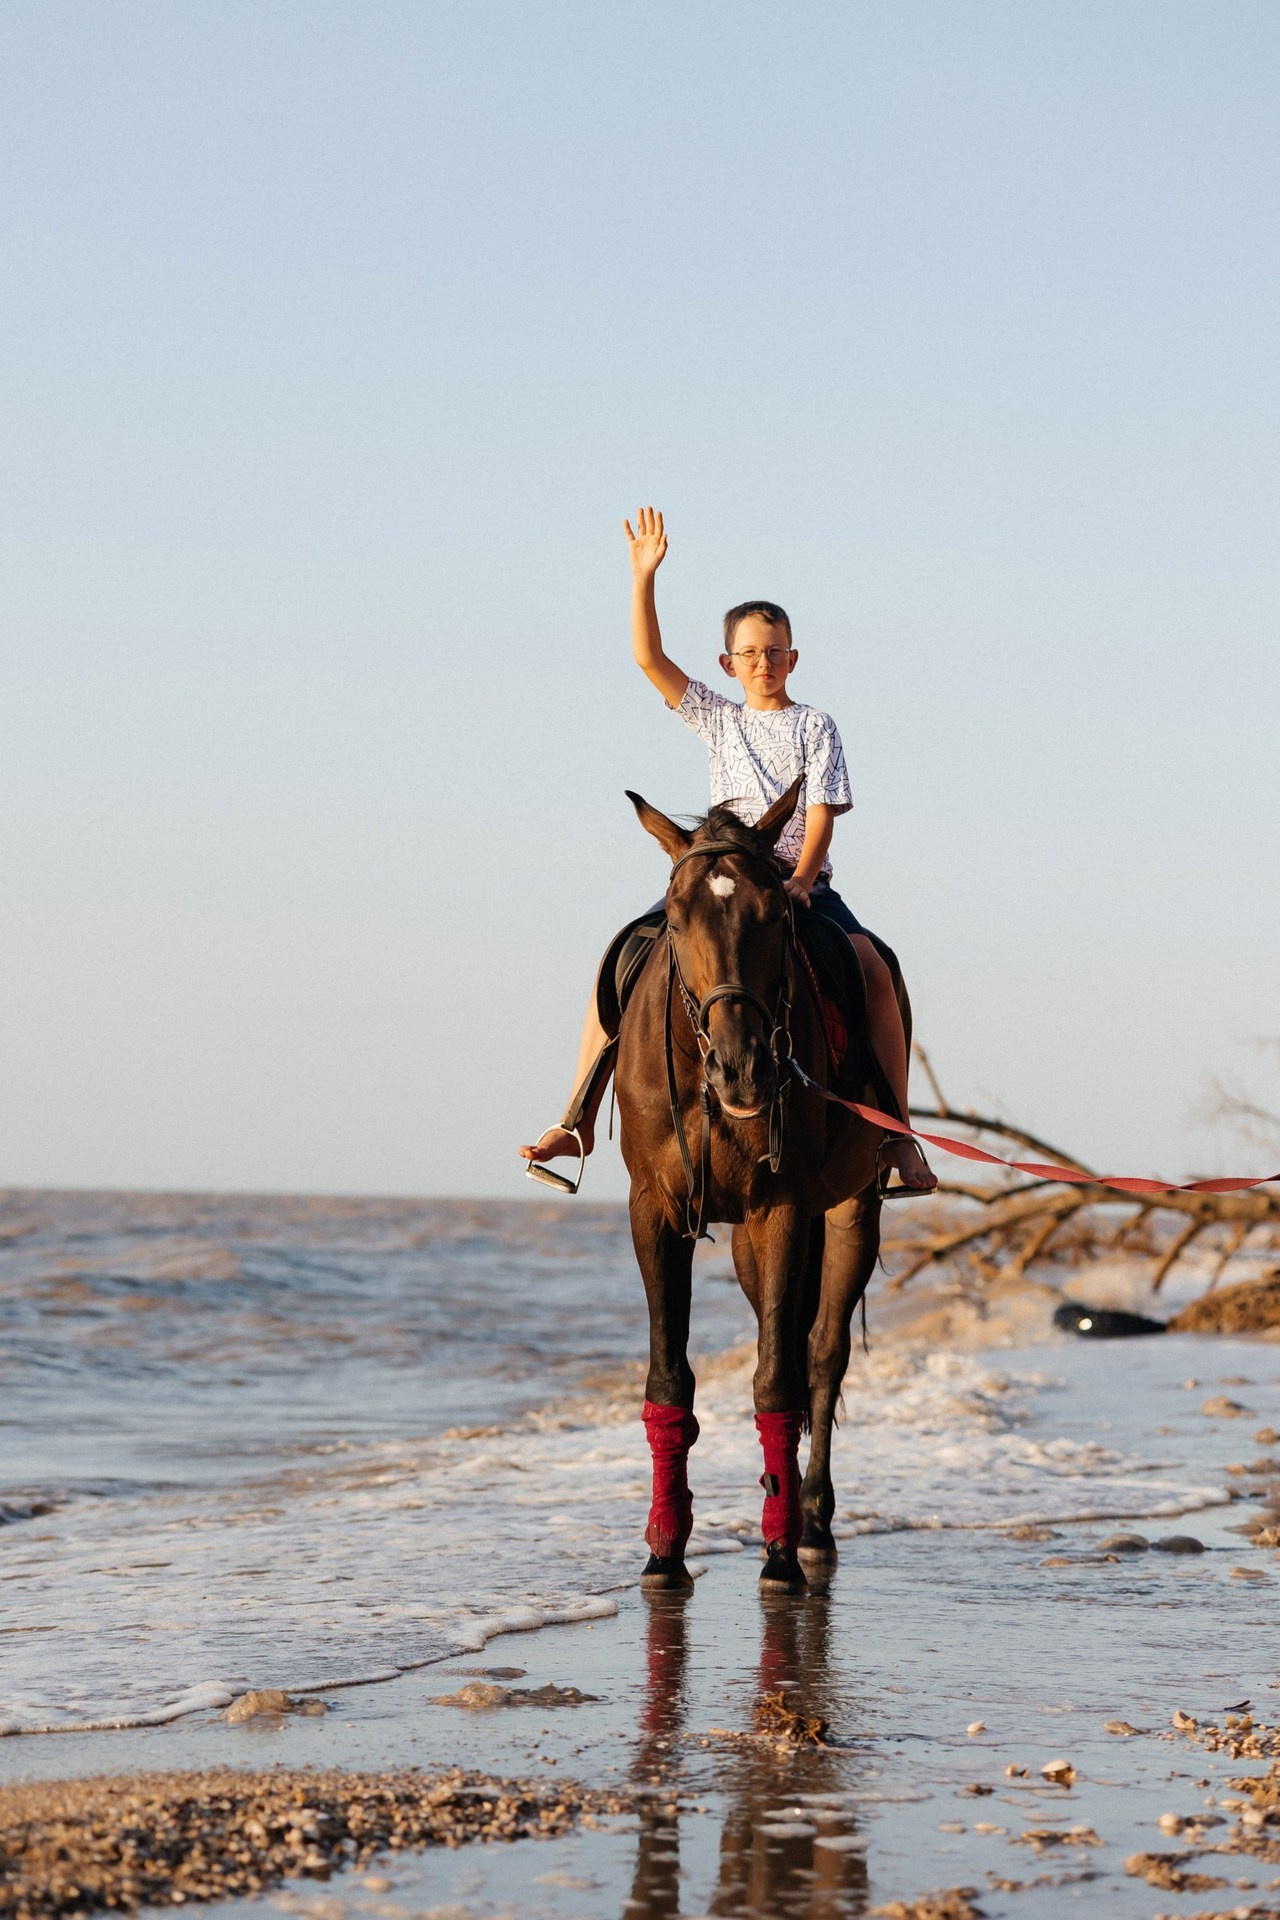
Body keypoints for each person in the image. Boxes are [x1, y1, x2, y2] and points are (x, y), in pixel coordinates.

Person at [518, 507, 936, 1193]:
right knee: (621, 956)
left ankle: (896, 1135)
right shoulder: (719, 718)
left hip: (797, 882)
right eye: (749, 654)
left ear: (792, 658)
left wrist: (802, 879)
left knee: (874, 970)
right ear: (728, 664)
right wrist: (643, 578)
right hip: (720, 881)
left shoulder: (816, 725)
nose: (763, 663)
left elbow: (822, 813)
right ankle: (578, 1118)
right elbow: (648, 660)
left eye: (775, 652)